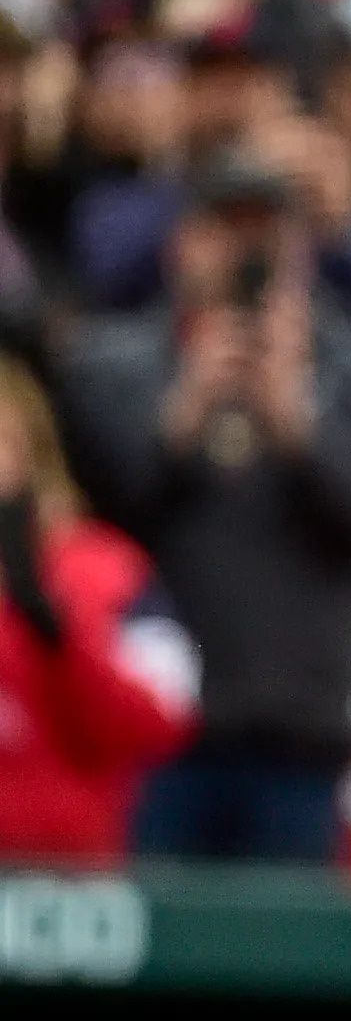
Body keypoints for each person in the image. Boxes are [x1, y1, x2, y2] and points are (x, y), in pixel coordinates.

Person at [53, 159, 351, 863]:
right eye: (227, 231)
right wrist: (182, 413)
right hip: (153, 742)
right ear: (183, 243)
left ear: (303, 252)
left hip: (303, 743)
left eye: (266, 236)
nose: (245, 256)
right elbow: (91, 524)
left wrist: (298, 423)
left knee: (286, 963)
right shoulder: (115, 361)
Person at [0, 356, 197, 862]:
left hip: (72, 877)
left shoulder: (102, 569)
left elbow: (163, 717)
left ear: (30, 454)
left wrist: (59, 632)